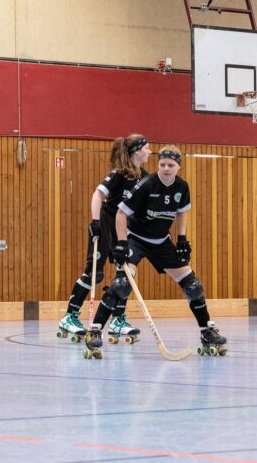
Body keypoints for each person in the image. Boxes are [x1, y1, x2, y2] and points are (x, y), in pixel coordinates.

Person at [84, 144, 227, 357]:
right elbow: (121, 214)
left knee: (193, 286)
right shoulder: (146, 184)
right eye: (162, 164)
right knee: (122, 284)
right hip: (136, 239)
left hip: (161, 242)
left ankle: (207, 331)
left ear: (179, 166)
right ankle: (94, 331)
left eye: (170, 165)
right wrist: (121, 243)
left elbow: (181, 212)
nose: (166, 168)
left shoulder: (182, 187)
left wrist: (181, 239)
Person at [57, 134, 150, 342]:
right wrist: (95, 222)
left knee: (125, 274)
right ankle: (69, 316)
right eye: (147, 148)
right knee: (95, 273)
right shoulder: (119, 174)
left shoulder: (145, 177)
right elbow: (98, 195)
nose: (149, 151)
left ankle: (118, 320)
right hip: (106, 224)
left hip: (123, 228)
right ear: (137, 151)